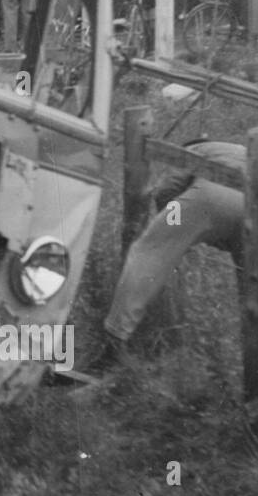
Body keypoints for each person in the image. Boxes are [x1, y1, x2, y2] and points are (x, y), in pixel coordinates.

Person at [85, 140, 247, 374]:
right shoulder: (239, 149)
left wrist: (173, 232)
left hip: (210, 196)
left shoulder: (195, 150)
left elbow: (166, 191)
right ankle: (252, 368)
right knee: (253, 291)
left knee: (148, 253)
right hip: (256, 209)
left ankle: (114, 343)